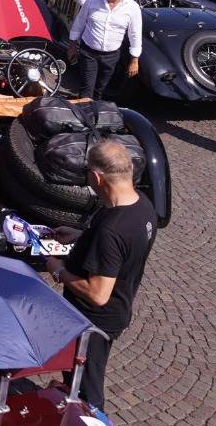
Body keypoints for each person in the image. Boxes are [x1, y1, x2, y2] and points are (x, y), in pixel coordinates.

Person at [43, 139, 157, 410]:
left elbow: (98, 294)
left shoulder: (111, 230)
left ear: (95, 177)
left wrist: (58, 270)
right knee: (75, 377)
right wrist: (82, 236)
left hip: (94, 323)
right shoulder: (142, 205)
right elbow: (122, 248)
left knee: (87, 390)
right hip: (118, 308)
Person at [67, 0, 141, 100]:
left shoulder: (132, 8)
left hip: (111, 57)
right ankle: (84, 110)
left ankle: (95, 108)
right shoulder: (92, 0)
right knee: (86, 90)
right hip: (88, 52)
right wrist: (72, 45)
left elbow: (135, 34)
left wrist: (134, 60)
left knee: (100, 90)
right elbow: (79, 21)